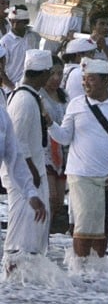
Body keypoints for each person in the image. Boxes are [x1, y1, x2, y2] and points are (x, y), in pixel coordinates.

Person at [48, 58, 108, 263]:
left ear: (106, 80)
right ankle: (79, 270)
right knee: (84, 227)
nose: (85, 83)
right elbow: (63, 137)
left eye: (91, 79)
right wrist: (50, 124)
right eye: (84, 79)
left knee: (102, 230)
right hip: (81, 174)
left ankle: (96, 272)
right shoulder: (76, 104)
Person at [2, 50, 54, 264]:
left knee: (33, 229)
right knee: (21, 234)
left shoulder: (28, 96)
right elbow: (18, 143)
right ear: (44, 74)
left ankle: (26, 284)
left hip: (30, 172)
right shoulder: (23, 100)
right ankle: (14, 281)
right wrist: (32, 175)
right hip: (24, 174)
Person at [41, 56, 69, 233]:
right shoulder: (38, 95)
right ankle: (42, 235)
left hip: (62, 150)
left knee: (58, 201)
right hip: (45, 150)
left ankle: (47, 236)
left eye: (60, 74)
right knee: (50, 198)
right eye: (52, 74)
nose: (56, 78)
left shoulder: (64, 95)